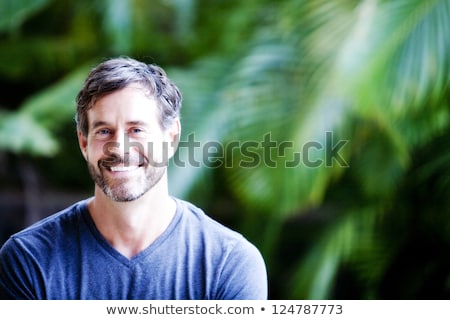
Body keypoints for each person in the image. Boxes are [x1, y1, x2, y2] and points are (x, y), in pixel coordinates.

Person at [0, 56, 268, 299]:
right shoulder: (29, 259)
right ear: (84, 143)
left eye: (136, 129)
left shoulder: (228, 264)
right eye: (104, 131)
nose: (119, 147)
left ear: (170, 137)